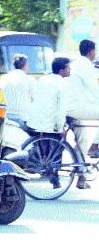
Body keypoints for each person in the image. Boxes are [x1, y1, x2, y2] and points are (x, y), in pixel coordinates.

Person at [26, 57, 70, 189]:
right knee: (58, 146)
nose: (69, 70)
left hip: (36, 121)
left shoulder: (43, 79)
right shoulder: (62, 84)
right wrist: (61, 126)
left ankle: (45, 168)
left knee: (43, 147)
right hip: (50, 122)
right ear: (62, 70)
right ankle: (54, 174)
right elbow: (61, 108)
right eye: (68, 67)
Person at [65, 40, 99, 188]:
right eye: (95, 51)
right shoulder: (86, 65)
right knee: (85, 141)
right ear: (91, 51)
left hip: (69, 108)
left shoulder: (76, 63)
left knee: (82, 139)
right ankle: (96, 144)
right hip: (76, 108)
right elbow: (95, 89)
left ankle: (81, 175)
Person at [0, 54, 36, 129]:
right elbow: (35, 98)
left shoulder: (3, 78)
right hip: (24, 118)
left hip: (6, 117)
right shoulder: (30, 80)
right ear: (25, 65)